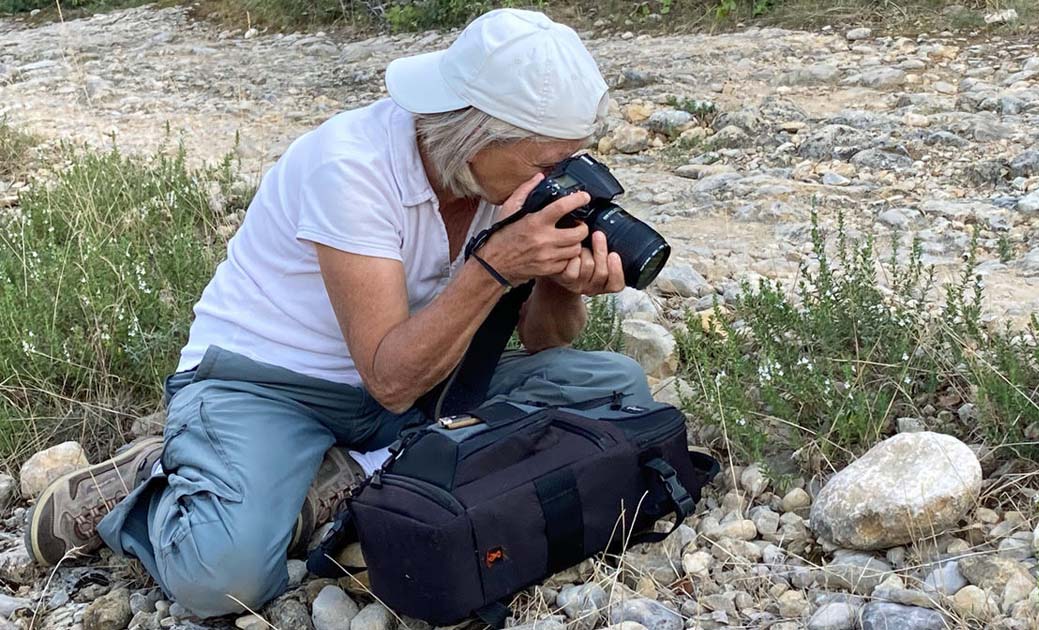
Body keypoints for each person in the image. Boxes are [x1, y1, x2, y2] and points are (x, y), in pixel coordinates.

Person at [24, 9, 654, 617]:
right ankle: (147, 486)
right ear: (472, 131)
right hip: (272, 384)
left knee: (613, 388)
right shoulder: (351, 166)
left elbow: (546, 342)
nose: (560, 181)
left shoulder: (505, 181)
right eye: (547, 164)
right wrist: (495, 267)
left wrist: (561, 281)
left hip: (418, 381)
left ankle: (349, 473)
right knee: (225, 579)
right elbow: (389, 376)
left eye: (569, 161)